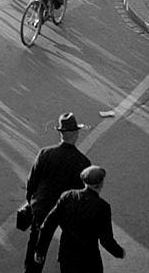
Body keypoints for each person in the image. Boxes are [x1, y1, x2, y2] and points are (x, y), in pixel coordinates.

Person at [22, 112, 91, 273]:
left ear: (61, 133)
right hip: (65, 212)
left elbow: (31, 183)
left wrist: (31, 203)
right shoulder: (82, 162)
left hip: (42, 207)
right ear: (76, 134)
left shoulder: (44, 153)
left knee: (36, 243)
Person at [35, 165, 126, 272]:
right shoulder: (102, 207)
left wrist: (40, 251)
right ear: (100, 184)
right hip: (89, 259)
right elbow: (106, 240)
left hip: (66, 256)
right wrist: (119, 252)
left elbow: (48, 224)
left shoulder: (68, 196)